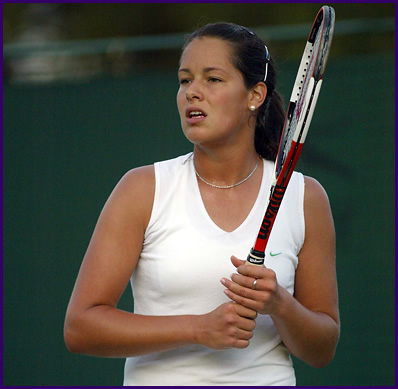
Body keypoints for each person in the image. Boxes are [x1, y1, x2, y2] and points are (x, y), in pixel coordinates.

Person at [64, 22, 340, 386]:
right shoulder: (142, 189)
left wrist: (280, 306)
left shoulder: (306, 198)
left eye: (212, 79)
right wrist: (197, 328)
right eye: (184, 80)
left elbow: (322, 350)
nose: (192, 92)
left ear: (254, 95)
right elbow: (81, 328)